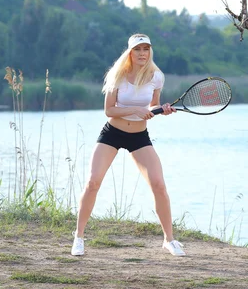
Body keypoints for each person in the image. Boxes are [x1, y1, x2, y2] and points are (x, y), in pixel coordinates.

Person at [71, 33, 186, 257]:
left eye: (146, 49)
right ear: (130, 52)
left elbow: (151, 106)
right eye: (137, 49)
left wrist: (162, 109)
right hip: (112, 133)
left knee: (159, 185)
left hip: (139, 137)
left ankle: (169, 240)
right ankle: (79, 237)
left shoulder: (156, 76)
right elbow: (109, 110)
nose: (142, 53)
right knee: (93, 182)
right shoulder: (117, 76)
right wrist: (134, 110)